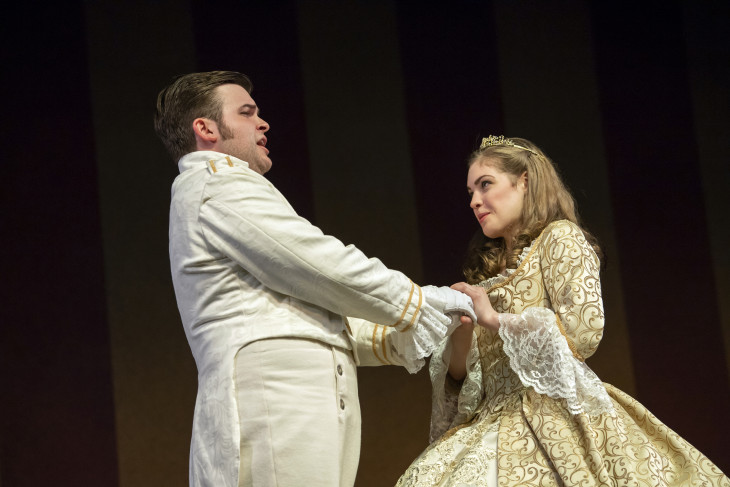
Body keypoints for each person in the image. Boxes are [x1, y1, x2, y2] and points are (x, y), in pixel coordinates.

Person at [153, 70, 478, 487]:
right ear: (206, 128)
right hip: (276, 394)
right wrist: (419, 303)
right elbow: (315, 262)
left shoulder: (227, 186)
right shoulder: (216, 183)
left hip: (296, 395)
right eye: (247, 112)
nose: (262, 123)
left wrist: (413, 327)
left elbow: (309, 307)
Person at [395, 135, 730, 486]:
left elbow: (582, 334)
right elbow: (465, 381)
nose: (475, 201)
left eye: (485, 185)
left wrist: (494, 319)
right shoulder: (485, 275)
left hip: (552, 415)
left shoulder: (560, 238)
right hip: (491, 418)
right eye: (470, 193)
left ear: (524, 180)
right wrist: (462, 330)